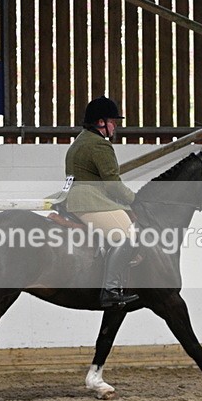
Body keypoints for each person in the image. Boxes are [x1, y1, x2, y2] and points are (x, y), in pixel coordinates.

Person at [64, 96, 139, 308]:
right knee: (127, 237)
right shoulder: (99, 145)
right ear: (100, 122)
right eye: (112, 121)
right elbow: (113, 184)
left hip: (76, 198)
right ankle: (110, 290)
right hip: (89, 201)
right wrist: (134, 199)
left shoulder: (80, 140)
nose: (115, 126)